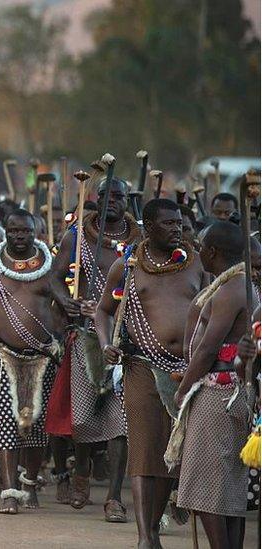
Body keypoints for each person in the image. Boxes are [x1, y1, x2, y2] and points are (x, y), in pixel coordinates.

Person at [94, 199, 207, 549]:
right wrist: (104, 344)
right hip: (140, 364)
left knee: (171, 452)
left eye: (179, 223)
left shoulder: (196, 264)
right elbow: (103, 311)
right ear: (148, 226)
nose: (177, 229)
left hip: (185, 371)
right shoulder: (127, 267)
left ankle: (154, 528)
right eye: (168, 223)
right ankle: (146, 537)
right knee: (144, 450)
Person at [48, 178, 141, 521]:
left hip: (129, 340)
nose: (113, 201)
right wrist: (68, 303)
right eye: (107, 196)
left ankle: (114, 497)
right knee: (86, 418)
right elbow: (54, 279)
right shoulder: (76, 237)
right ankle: (82, 472)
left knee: (121, 422)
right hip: (87, 336)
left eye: (120, 196)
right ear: (96, 199)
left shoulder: (140, 240)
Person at [0, 209, 60, 515]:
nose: (20, 237)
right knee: (5, 419)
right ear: (5, 231)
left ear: (36, 233)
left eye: (26, 231)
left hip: (43, 355)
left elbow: (66, 302)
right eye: (14, 231)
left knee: (36, 423)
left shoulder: (51, 265)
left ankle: (30, 481)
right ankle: (9, 490)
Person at [168, 221, 256, 549]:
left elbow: (208, 347)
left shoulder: (234, 288)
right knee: (223, 489)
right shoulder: (233, 284)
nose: (198, 250)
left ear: (213, 251)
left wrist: (183, 389)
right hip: (225, 390)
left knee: (206, 488)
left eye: (202, 245)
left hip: (219, 393)